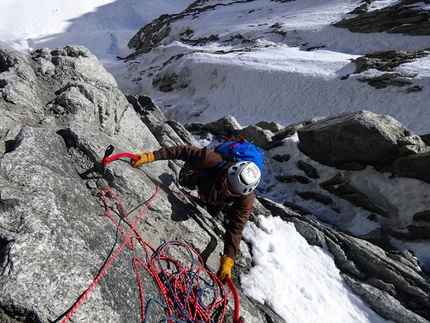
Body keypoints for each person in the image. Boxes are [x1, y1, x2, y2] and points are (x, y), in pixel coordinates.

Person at [130, 145, 261, 282]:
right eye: (227, 185)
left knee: (212, 211)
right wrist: (151, 156)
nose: (226, 191)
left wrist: (228, 260)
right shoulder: (211, 160)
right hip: (205, 176)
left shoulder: (245, 200)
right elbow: (182, 151)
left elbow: (236, 228)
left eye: (232, 192)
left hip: (216, 198)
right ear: (229, 173)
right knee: (184, 181)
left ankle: (207, 197)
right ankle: (192, 173)